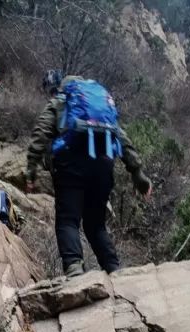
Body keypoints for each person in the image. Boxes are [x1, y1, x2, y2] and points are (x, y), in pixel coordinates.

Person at [25, 70, 152, 277]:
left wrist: (32, 170)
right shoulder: (99, 106)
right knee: (96, 225)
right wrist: (137, 172)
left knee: (68, 220)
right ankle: (114, 269)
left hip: (71, 164)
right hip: (103, 165)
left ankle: (75, 269)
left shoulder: (60, 100)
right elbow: (121, 136)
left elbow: (41, 133)